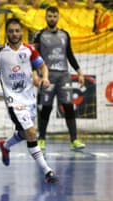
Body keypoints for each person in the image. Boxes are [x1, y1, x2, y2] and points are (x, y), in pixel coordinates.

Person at [0, 17, 59, 183]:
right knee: (31, 132)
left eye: (17, 31)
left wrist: (45, 78)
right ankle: (47, 171)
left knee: (24, 134)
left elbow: (43, 66)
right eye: (11, 31)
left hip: (29, 99)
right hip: (13, 102)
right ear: (6, 33)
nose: (14, 34)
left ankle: (5, 145)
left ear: (21, 32)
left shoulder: (29, 50)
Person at [33, 6, 86, 151]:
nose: (52, 19)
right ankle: (42, 139)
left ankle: (74, 140)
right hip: (47, 76)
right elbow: (33, 56)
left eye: (54, 16)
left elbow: (69, 54)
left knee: (68, 106)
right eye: (49, 16)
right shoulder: (39, 35)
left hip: (64, 75)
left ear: (58, 17)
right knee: (46, 107)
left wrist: (79, 72)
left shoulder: (65, 35)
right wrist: (35, 74)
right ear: (45, 17)